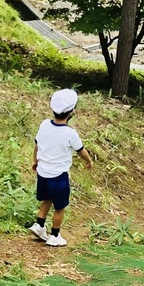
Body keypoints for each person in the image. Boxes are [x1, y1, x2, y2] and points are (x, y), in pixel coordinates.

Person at [28, 88, 94, 248]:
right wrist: (89, 161)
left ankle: (39, 225)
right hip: (58, 177)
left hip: (43, 173)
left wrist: (35, 161)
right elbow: (81, 151)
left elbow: (37, 145)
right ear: (72, 112)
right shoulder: (70, 133)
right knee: (60, 207)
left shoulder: (44, 125)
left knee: (47, 199)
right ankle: (55, 236)